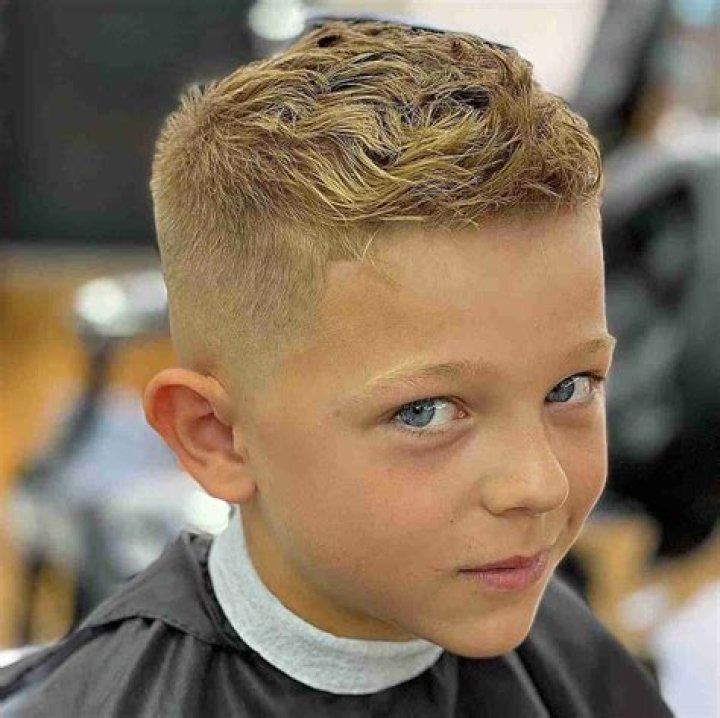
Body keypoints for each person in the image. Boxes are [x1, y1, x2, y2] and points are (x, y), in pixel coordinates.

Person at [0, 17, 674, 717]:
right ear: (216, 436)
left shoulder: (576, 656)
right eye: (425, 413)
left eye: (569, 388)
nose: (539, 485)